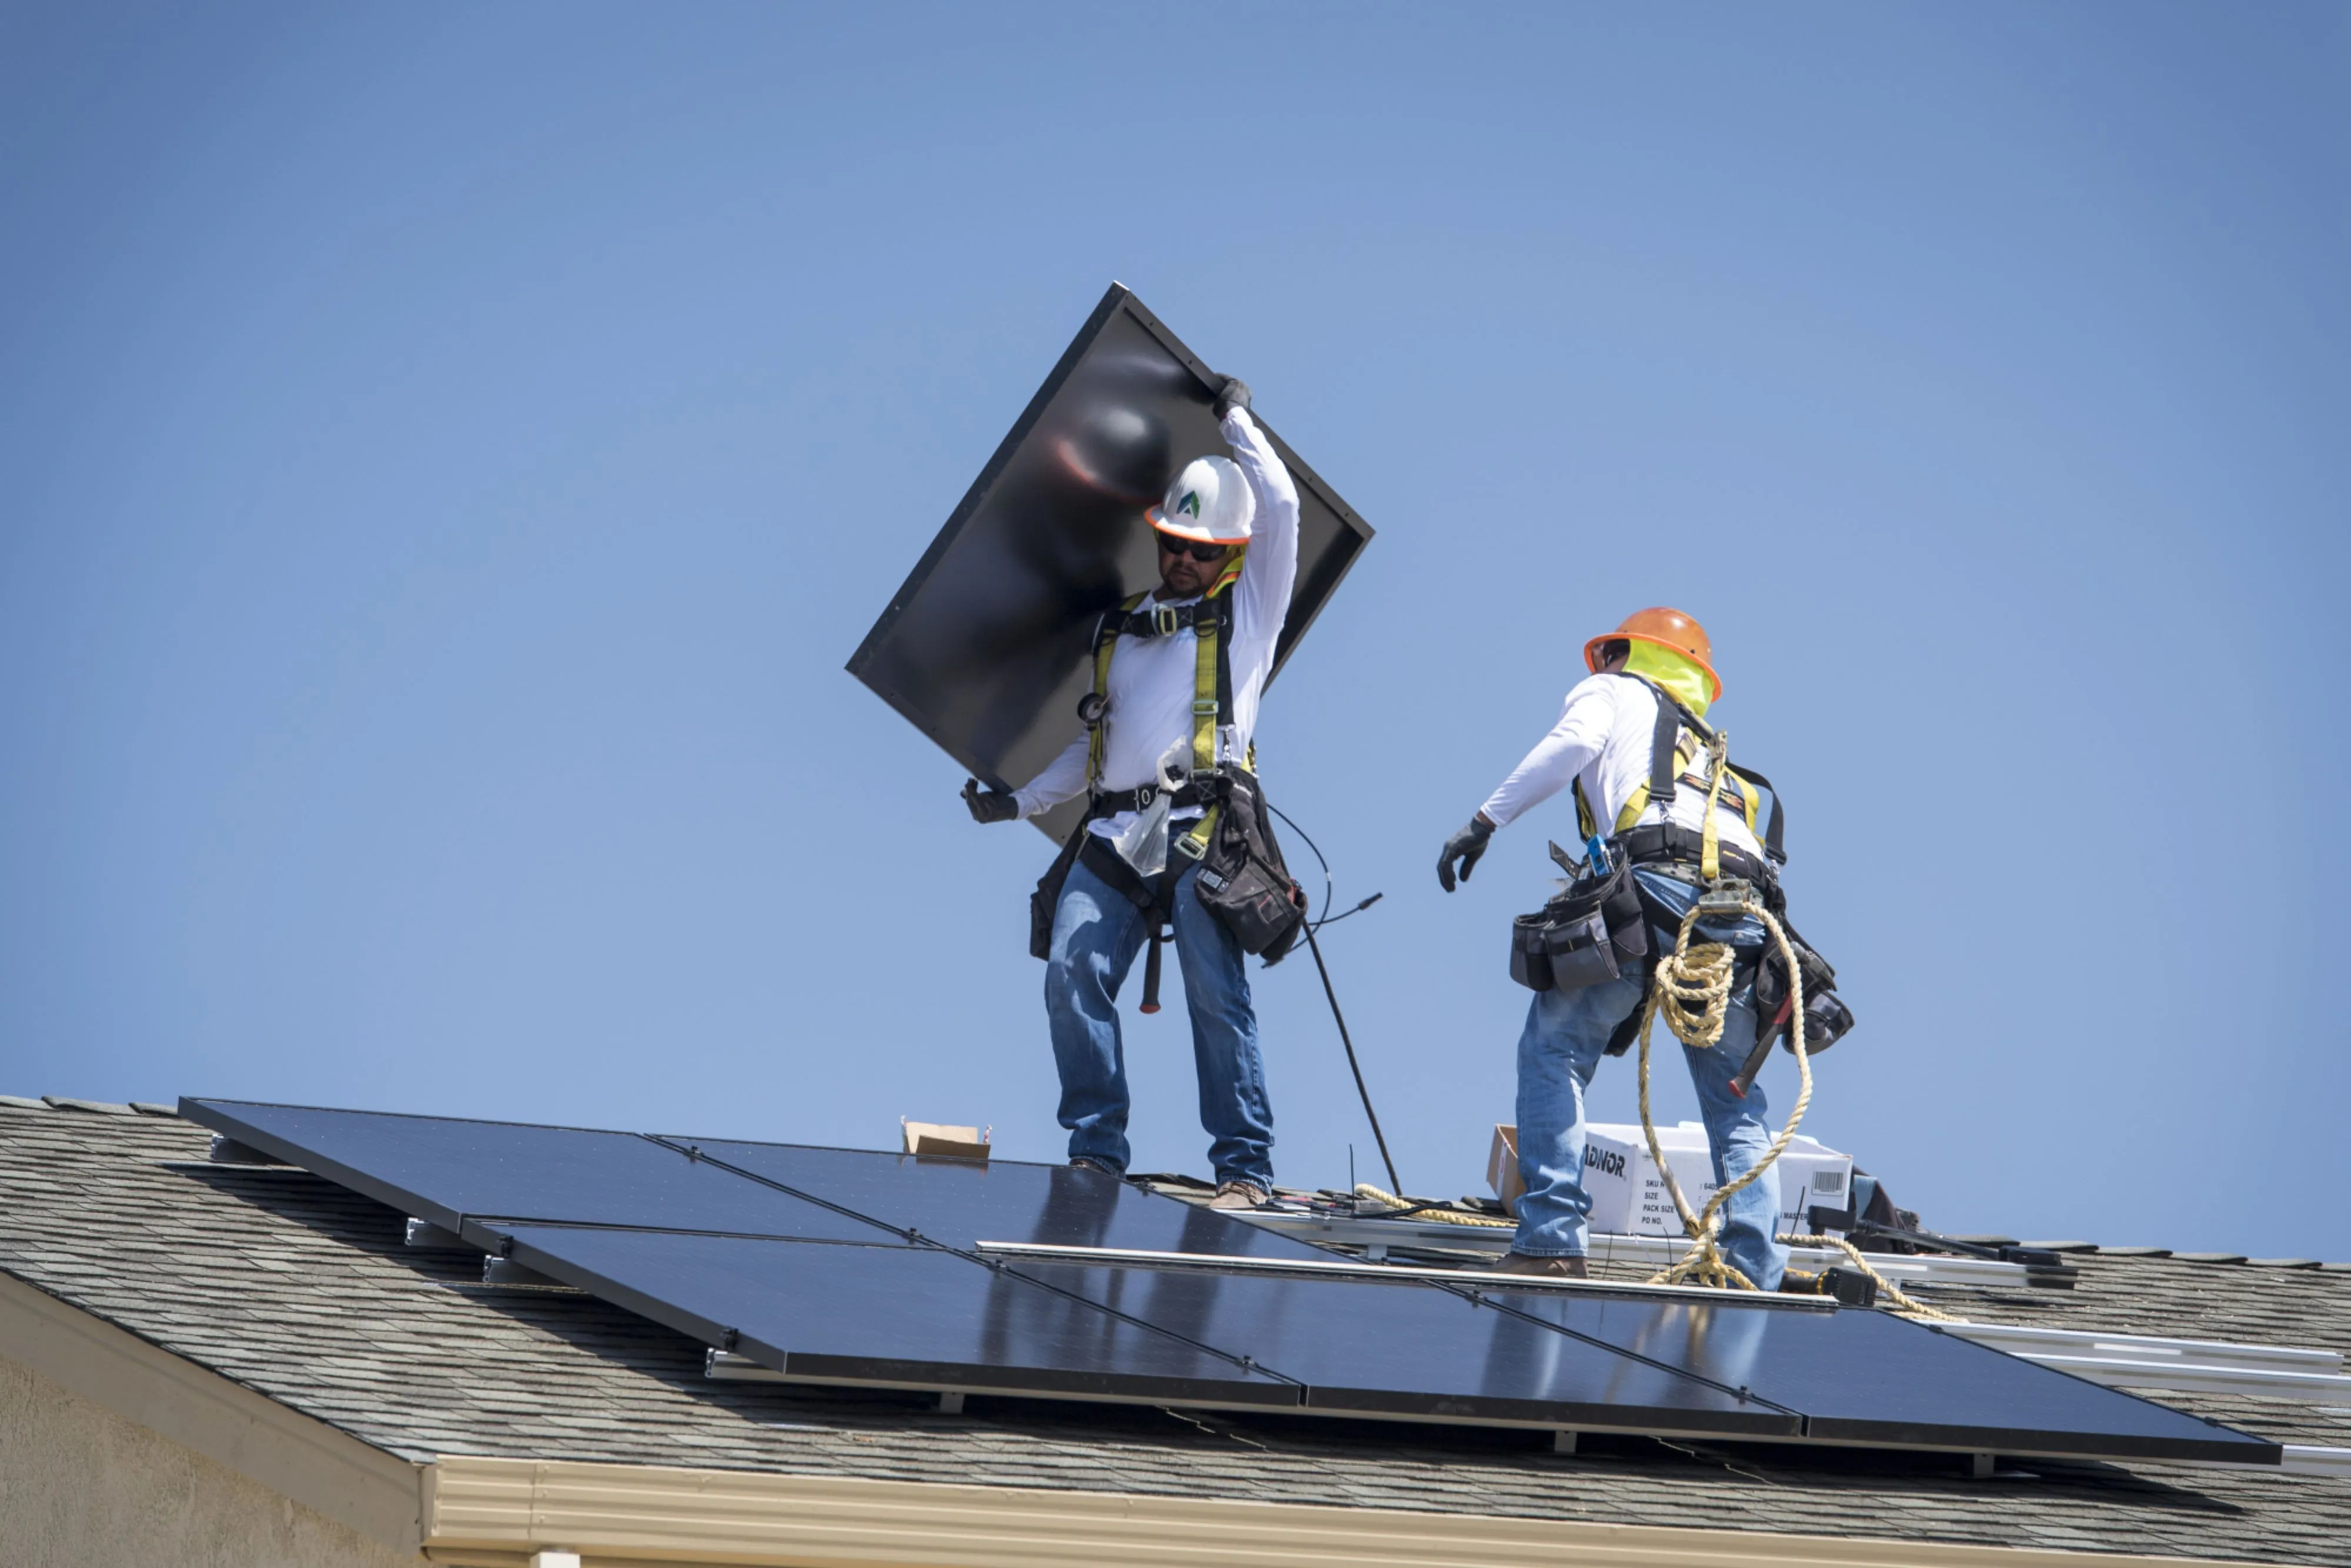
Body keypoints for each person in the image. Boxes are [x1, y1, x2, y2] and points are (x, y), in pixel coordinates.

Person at [962, 376, 1299, 1211]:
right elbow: (1094, 745)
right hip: (1115, 833)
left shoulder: (1246, 617)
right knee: (1070, 968)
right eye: (1171, 544)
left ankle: (1243, 1171)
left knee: (1215, 995)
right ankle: (1096, 1150)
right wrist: (1020, 801)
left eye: (1199, 548)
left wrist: (1233, 419)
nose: (1181, 559)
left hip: (1204, 825)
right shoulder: (1122, 628)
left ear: (1230, 555)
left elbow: (1282, 505)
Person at [1434, 608, 1788, 1287]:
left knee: (1555, 1051)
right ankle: (1753, 1270)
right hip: (1742, 917)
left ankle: (1552, 1241)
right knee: (1735, 1096)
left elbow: (1569, 746)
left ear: (1625, 654)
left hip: (1654, 887)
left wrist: (1485, 822)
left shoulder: (1614, 691)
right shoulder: (1707, 749)